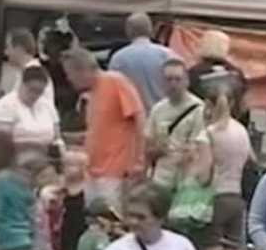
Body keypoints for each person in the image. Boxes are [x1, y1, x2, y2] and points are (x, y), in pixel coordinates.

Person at [62, 47, 146, 209]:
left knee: (109, 219)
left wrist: (139, 161)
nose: (69, 79)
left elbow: (139, 119)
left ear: (83, 71)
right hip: (92, 171)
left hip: (114, 171)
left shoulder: (115, 81)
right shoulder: (90, 95)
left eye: (70, 73)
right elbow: (98, 131)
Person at [205, 83, 255, 250]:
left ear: (209, 105)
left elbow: (203, 172)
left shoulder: (210, 133)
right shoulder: (242, 132)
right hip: (236, 198)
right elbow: (251, 161)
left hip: (214, 198)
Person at [145, 58, 206, 192]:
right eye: (168, 79)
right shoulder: (157, 109)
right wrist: (157, 150)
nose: (173, 84)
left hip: (185, 182)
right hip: (160, 182)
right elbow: (147, 149)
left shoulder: (199, 109)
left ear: (186, 82)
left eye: (177, 79)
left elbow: (201, 149)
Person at [0, 64, 64, 159]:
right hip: (16, 157)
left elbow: (57, 137)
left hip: (46, 157)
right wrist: (35, 146)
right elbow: (1, 142)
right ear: (22, 84)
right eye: (32, 90)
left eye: (39, 91)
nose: (35, 95)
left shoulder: (47, 105)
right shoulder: (6, 105)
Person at [108, 12, 175, 112]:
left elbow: (112, 93)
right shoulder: (167, 55)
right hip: (165, 116)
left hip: (133, 118)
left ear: (128, 31)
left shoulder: (118, 59)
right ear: (150, 29)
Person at [0, 28, 44, 95]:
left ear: (19, 49)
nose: (5, 53)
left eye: (7, 47)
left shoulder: (34, 76)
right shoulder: (26, 73)